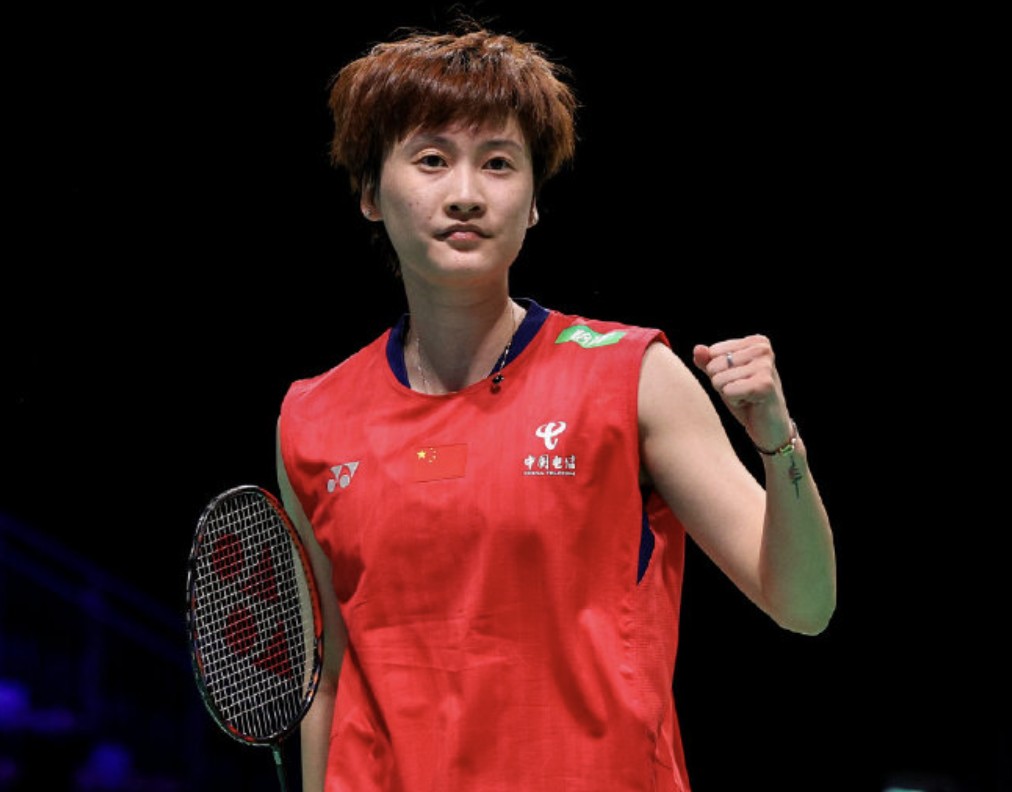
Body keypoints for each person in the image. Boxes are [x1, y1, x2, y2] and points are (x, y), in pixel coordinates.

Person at [275, 21, 836, 792]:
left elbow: (803, 603)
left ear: (534, 201)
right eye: (431, 160)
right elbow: (327, 677)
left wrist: (778, 443)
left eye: (498, 163)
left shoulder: (632, 377)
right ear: (371, 193)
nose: (465, 194)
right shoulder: (313, 419)